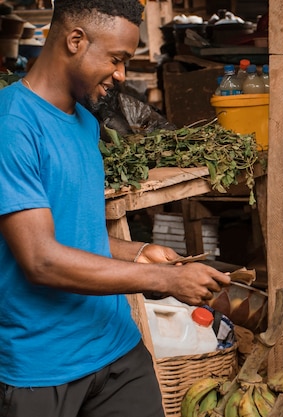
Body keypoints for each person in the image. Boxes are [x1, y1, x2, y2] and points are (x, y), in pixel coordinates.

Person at [0, 1, 231, 416]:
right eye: (116, 59)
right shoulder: (12, 126)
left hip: (117, 352)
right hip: (44, 368)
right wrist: (162, 279)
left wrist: (138, 252)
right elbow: (41, 259)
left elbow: (75, 234)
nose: (122, 75)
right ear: (75, 40)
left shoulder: (86, 123)